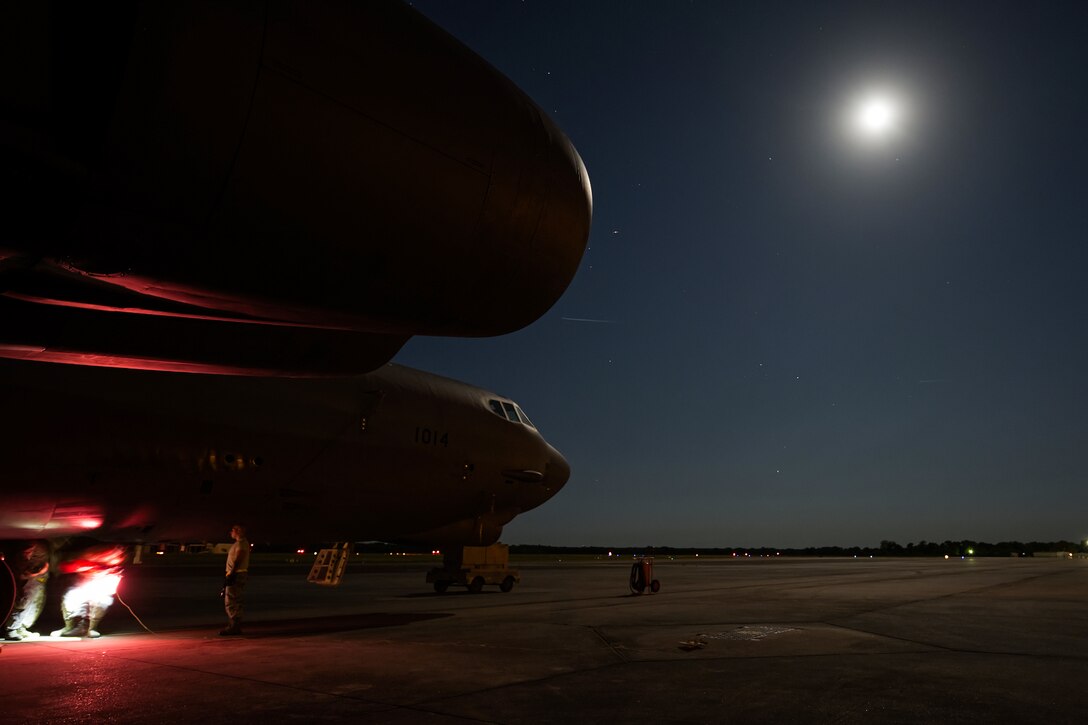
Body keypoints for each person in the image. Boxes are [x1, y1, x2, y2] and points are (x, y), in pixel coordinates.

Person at [53, 544, 125, 638]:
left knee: (101, 597)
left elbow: (116, 567)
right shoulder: (84, 556)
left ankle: (92, 627)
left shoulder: (115, 560)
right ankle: (71, 626)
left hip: (102, 582)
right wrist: (93, 567)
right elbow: (65, 567)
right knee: (70, 596)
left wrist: (107, 571)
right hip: (81, 582)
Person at [4, 541, 51, 641]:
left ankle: (19, 627)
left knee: (31, 602)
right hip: (28, 578)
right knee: (21, 603)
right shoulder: (22, 551)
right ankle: (12, 629)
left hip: (35, 579)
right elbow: (19, 573)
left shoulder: (40, 548)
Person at [220, 524, 250, 636]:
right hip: (237, 573)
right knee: (235, 600)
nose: (231, 532)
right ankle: (234, 625)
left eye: (233, 530)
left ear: (238, 531)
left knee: (231, 600)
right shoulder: (239, 544)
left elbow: (238, 559)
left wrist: (231, 574)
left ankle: (234, 626)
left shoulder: (241, 544)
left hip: (237, 574)